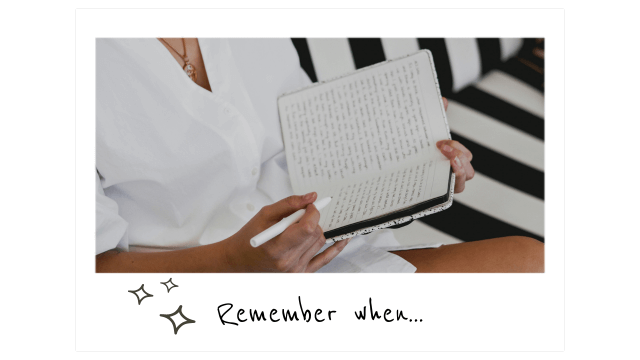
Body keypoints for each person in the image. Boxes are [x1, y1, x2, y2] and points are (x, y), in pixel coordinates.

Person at [96, 38, 543, 273]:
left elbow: (296, 147)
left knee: (533, 269)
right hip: (193, 296)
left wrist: (401, 176)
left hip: (331, 259)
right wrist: (233, 265)